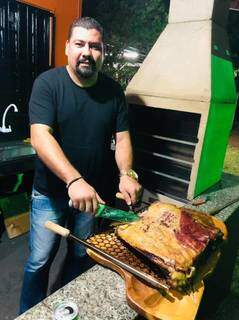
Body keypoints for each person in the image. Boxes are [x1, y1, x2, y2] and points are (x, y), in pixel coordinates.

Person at [19, 17, 141, 313]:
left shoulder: (113, 92)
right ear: (67, 49)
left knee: (79, 253)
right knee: (40, 260)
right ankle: (30, 313)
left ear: (102, 52)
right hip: (50, 193)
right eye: (80, 44)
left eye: (95, 46)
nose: (87, 51)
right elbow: (40, 135)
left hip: (93, 197)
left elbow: (122, 140)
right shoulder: (48, 84)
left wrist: (127, 173)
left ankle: (67, 304)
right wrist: (74, 180)